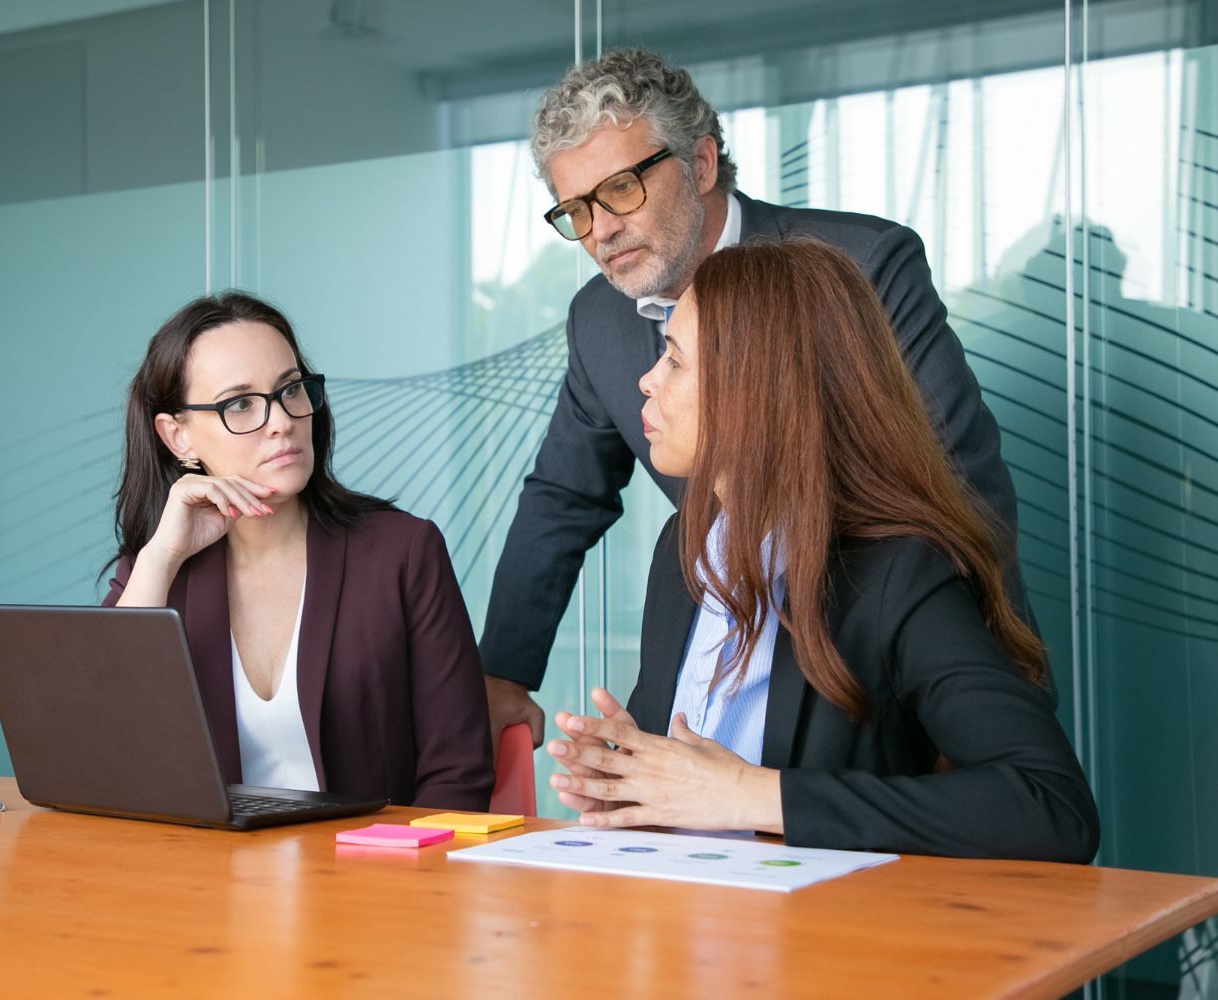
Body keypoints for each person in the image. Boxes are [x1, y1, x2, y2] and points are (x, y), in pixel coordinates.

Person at [480, 48, 1035, 751]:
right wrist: (503, 671)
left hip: (887, 679)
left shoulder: (860, 267)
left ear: (702, 164)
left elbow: (958, 483)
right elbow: (563, 496)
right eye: (577, 210)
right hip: (723, 676)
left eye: (620, 189)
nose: (602, 230)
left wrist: (957, 697)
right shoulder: (601, 318)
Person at [545, 239, 1098, 861]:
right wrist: (634, 791)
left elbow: (1051, 807)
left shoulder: (898, 572)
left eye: (673, 358)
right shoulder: (683, 548)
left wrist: (749, 795)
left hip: (824, 944)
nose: (646, 380)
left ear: (755, 389)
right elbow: (693, 801)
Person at [102, 293, 494, 811]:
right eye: (239, 403)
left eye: (291, 390)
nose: (281, 421)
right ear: (178, 437)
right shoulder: (155, 571)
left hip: (373, 877)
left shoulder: (402, 553)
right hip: (201, 880)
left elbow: (458, 774)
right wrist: (161, 557)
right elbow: (105, 749)